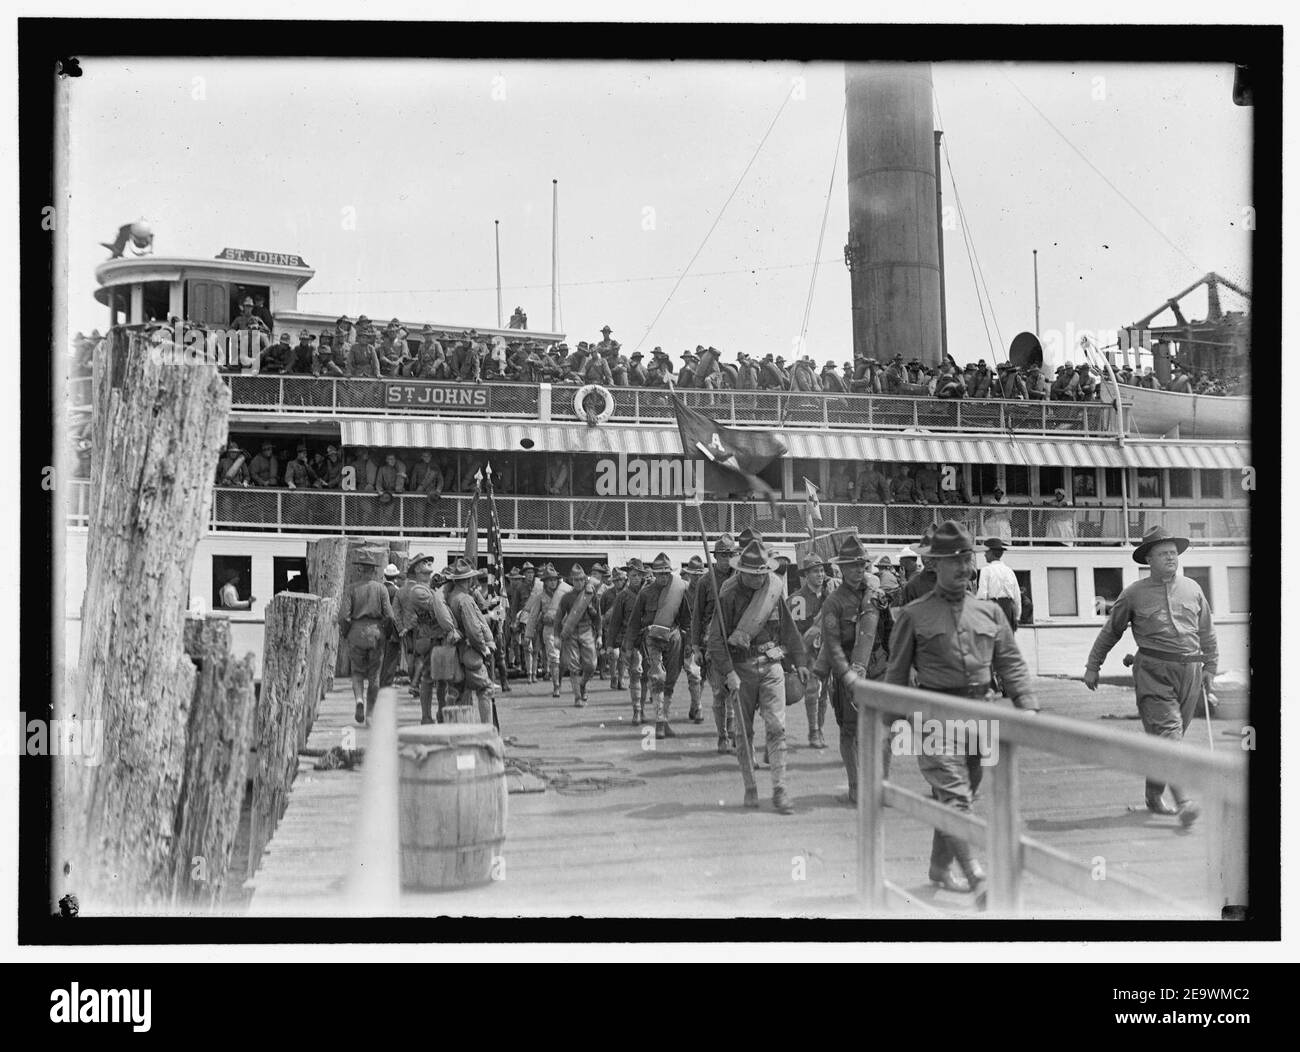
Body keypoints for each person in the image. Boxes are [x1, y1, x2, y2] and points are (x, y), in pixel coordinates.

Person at [885, 520, 1039, 900]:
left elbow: (1011, 663)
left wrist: (1026, 704)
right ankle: (976, 877)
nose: (963, 568)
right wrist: (889, 725)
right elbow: (896, 674)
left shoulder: (989, 613)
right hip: (934, 715)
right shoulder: (914, 614)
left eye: (967, 559)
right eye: (953, 561)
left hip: (981, 714)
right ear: (934, 564)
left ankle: (940, 868)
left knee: (960, 793)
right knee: (955, 795)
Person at [1083, 526, 1217, 826]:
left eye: (1173, 553)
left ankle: (1153, 795)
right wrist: (1094, 665)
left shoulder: (1193, 589)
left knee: (1169, 738)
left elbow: (1207, 632)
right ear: (1149, 560)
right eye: (1164, 554)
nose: (1171, 558)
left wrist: (1211, 668)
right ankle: (1185, 802)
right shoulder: (1133, 594)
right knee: (1169, 736)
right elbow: (1111, 631)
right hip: (1153, 673)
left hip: (1191, 672)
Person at [706, 538, 808, 814]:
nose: (759, 578)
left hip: (772, 666)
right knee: (744, 732)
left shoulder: (774, 590)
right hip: (741, 668)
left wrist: (799, 661)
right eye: (754, 574)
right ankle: (750, 785)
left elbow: (788, 628)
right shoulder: (726, 596)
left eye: (763, 573)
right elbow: (715, 641)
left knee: (777, 728)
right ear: (743, 572)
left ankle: (780, 788)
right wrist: (728, 673)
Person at [816, 535, 890, 802]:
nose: (857, 570)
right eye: (851, 566)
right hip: (848, 669)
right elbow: (832, 644)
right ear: (841, 569)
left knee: (884, 729)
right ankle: (855, 785)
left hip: (878, 668)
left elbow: (888, 631)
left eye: (861, 565)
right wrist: (846, 674)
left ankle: (882, 783)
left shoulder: (876, 595)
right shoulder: (833, 602)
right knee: (850, 730)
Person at [624, 553, 692, 738]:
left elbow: (686, 619)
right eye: (660, 573)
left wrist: (689, 643)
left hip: (674, 637)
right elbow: (634, 621)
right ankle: (659, 722)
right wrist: (629, 646)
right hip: (652, 639)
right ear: (654, 573)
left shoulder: (679, 590)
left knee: (671, 679)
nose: (663, 576)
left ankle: (665, 719)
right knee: (657, 677)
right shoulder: (646, 593)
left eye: (666, 573)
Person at [689, 535, 739, 753]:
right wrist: (696, 647)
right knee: (719, 693)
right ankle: (722, 736)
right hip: (713, 644)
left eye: (730, 554)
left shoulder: (741, 578)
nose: (726, 559)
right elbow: (697, 616)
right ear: (716, 556)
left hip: (737, 642)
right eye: (722, 555)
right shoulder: (705, 581)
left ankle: (737, 732)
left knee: (737, 692)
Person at [338, 550, 395, 725]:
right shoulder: (382, 589)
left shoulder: (351, 589)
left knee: (356, 672)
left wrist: (347, 632)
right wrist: (386, 632)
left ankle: (359, 701)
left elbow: (343, 616)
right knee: (374, 675)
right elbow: (390, 616)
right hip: (376, 633)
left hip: (356, 632)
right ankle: (370, 714)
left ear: (360, 570)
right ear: (374, 570)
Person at [445, 557, 499, 726]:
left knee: (461, 691)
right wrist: (483, 648)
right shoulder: (465, 600)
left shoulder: (452, 596)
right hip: (470, 650)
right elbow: (474, 629)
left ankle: (460, 728)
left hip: (457, 650)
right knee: (485, 689)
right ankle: (487, 728)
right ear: (467, 580)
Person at [790, 554, 832, 748]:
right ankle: (814, 731)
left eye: (822, 570)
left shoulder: (830, 595)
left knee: (825, 692)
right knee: (813, 691)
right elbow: (794, 631)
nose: (820, 574)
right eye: (815, 571)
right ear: (806, 575)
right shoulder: (797, 599)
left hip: (829, 649)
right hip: (808, 652)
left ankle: (820, 729)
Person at [557, 563, 603, 708]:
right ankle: (577, 697)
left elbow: (598, 617)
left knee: (591, 665)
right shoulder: (566, 598)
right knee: (574, 666)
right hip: (571, 633)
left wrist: (600, 635)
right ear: (571, 580)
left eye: (581, 580)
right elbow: (558, 618)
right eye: (576, 580)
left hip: (587, 631)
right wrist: (557, 637)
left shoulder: (591, 596)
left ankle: (582, 684)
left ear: (585, 580)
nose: (578, 582)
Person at [680, 556, 708, 722]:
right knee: (694, 674)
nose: (697, 578)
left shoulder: (708, 591)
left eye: (700, 574)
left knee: (702, 676)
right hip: (690, 639)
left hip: (707, 639)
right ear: (689, 575)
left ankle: (694, 704)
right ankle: (698, 708)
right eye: (694, 575)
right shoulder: (683, 594)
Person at [538, 565, 572, 697]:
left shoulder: (565, 594)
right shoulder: (540, 596)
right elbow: (534, 615)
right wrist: (528, 634)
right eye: (549, 580)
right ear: (545, 582)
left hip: (563, 629)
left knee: (565, 660)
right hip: (549, 630)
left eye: (554, 579)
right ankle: (556, 686)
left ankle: (560, 682)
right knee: (554, 659)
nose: (552, 582)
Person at [975, 537, 1021, 630]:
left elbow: (982, 595)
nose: (984, 555)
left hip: (993, 608)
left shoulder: (986, 570)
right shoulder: (1009, 571)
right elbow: (1017, 596)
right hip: (1009, 610)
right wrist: (1017, 617)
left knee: (993, 641)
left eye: (986, 552)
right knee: (1007, 642)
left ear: (991, 553)